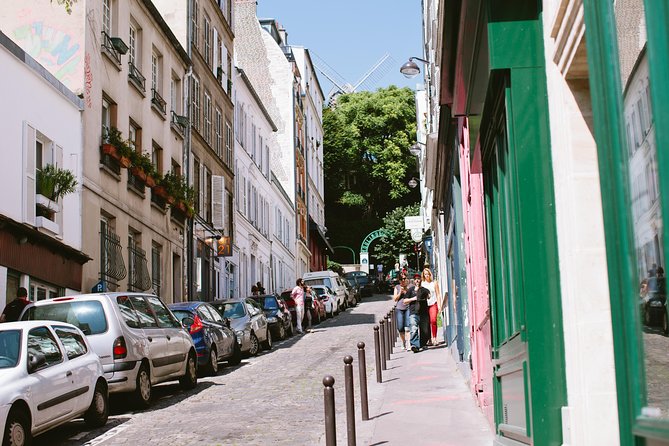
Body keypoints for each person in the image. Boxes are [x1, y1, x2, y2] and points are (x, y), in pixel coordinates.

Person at [403, 276, 429, 352]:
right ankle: (415, 345)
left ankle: (422, 344)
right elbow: (404, 301)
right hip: (413, 312)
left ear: (421, 280)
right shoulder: (410, 290)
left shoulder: (424, 290)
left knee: (424, 330)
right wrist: (412, 299)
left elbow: (428, 296)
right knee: (413, 329)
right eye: (415, 279)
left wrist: (421, 293)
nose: (417, 280)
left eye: (418, 279)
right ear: (413, 281)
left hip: (423, 312)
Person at [421, 268, 442, 346]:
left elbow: (438, 294)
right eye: (425, 274)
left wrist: (439, 305)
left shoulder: (434, 283)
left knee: (433, 320)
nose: (427, 276)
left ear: (430, 275)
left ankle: (434, 338)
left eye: (428, 274)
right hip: (425, 305)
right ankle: (429, 339)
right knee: (426, 323)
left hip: (433, 303)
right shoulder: (422, 284)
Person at [393, 277, 410, 350]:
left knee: (408, 327)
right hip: (399, 308)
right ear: (399, 280)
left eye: (404, 279)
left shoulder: (410, 287)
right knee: (400, 328)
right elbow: (395, 299)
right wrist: (400, 292)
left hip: (408, 308)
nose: (403, 280)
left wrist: (406, 292)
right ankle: (403, 341)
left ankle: (409, 343)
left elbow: (412, 296)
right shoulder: (397, 287)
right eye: (401, 279)